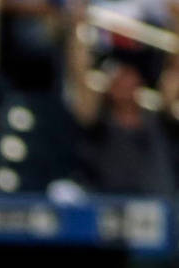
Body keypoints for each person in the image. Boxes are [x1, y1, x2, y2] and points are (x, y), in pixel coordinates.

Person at [66, 0, 178, 195]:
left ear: (139, 84)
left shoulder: (158, 118)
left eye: (130, 77)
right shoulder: (98, 120)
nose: (125, 83)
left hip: (158, 207)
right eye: (119, 79)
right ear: (109, 87)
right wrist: (79, 26)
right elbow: (79, 75)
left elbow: (174, 73)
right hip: (109, 207)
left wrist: (176, 22)